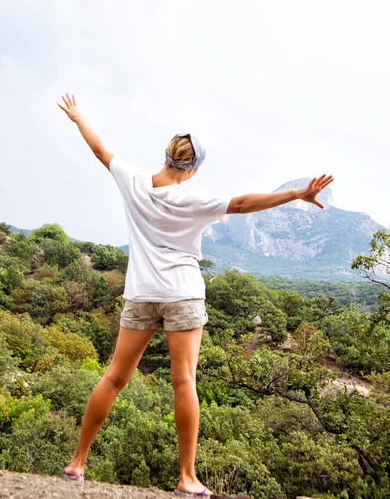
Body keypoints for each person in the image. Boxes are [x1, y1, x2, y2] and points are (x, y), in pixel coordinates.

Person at [58, 93, 334, 496]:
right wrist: (294, 194)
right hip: (183, 294)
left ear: (167, 156)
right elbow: (241, 203)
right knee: (183, 380)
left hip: (141, 293)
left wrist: (79, 117)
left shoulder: (133, 181)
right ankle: (186, 477)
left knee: (115, 376)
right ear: (194, 168)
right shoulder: (194, 198)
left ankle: (76, 463)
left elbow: (100, 149)